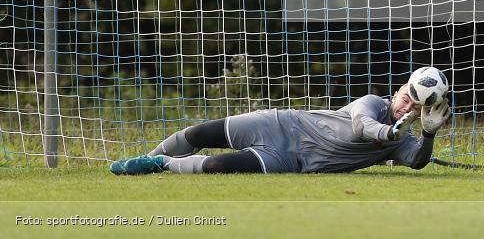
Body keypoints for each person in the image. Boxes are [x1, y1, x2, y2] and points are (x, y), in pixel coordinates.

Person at [109, 82, 451, 175]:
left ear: (424, 111)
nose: (407, 107)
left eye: (416, 106)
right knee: (199, 134)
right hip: (280, 124)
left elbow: (416, 161)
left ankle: (162, 165)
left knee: (215, 166)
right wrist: (389, 132)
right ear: (398, 91)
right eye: (406, 98)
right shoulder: (372, 103)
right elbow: (363, 127)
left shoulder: (400, 141)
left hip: (290, 161)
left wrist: (429, 135)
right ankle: (148, 158)